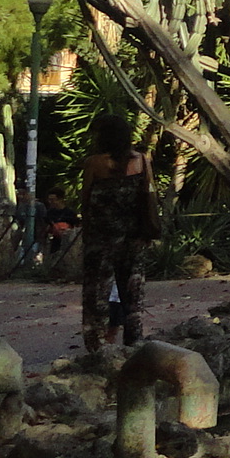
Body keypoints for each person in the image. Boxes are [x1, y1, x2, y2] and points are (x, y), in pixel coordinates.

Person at [76, 112, 157, 353]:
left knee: (96, 295)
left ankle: (96, 347)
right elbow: (150, 197)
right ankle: (134, 344)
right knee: (132, 294)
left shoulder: (94, 164)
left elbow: (86, 200)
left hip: (101, 239)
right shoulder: (142, 161)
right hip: (134, 237)